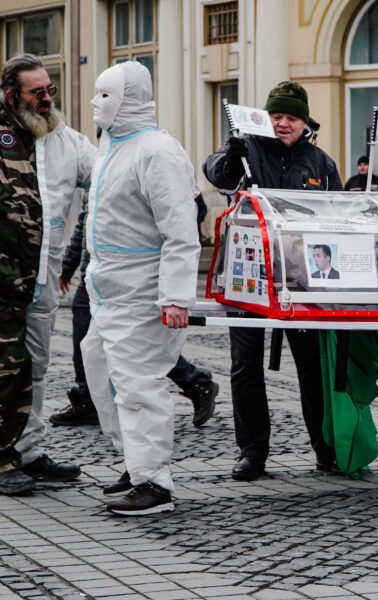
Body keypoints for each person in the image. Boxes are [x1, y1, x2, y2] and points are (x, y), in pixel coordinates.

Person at [204, 80, 341, 481]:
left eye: (291, 118)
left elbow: (336, 215)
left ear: (304, 122)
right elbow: (216, 172)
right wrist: (231, 157)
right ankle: (252, 451)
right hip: (247, 275)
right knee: (245, 366)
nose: (283, 124)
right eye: (277, 116)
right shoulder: (247, 149)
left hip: (300, 278)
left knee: (312, 367)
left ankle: (325, 447)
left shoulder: (320, 162)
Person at [81, 61, 200, 514]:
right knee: (100, 371)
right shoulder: (110, 147)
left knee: (138, 385)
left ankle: (155, 483)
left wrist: (174, 296)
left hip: (143, 292)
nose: (96, 103)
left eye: (105, 95)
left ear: (129, 99)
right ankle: (135, 463)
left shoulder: (156, 151)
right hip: (108, 291)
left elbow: (180, 230)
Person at [52, 190, 218, 428]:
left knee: (138, 343)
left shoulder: (156, 158)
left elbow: (184, 220)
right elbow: (86, 220)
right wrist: (69, 266)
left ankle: (195, 382)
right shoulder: (103, 161)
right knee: (90, 339)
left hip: (133, 275)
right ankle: (87, 398)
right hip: (98, 274)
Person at [1, 54, 88, 494]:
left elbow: (106, 177)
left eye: (50, 89)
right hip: (2, 282)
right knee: (4, 371)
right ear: (12, 96)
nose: (48, 98)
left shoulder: (64, 139)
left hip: (41, 281)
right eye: (38, 92)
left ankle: (29, 452)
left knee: (34, 367)